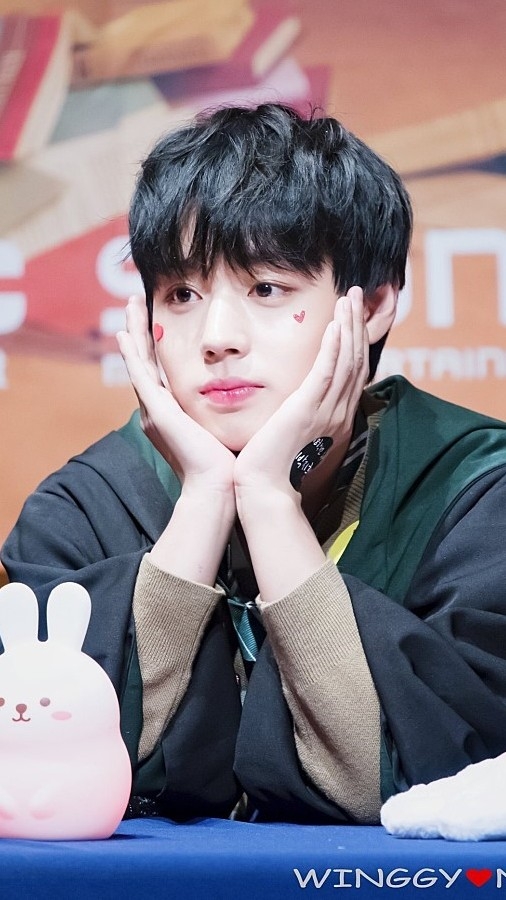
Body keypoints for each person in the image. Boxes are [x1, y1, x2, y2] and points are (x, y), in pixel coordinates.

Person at [3, 102, 506, 827]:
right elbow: (44, 783)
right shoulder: (79, 510)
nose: (216, 337)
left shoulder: (476, 495)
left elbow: (432, 793)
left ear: (373, 306)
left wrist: (269, 499)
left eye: (266, 289)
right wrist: (206, 498)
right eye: (181, 295)